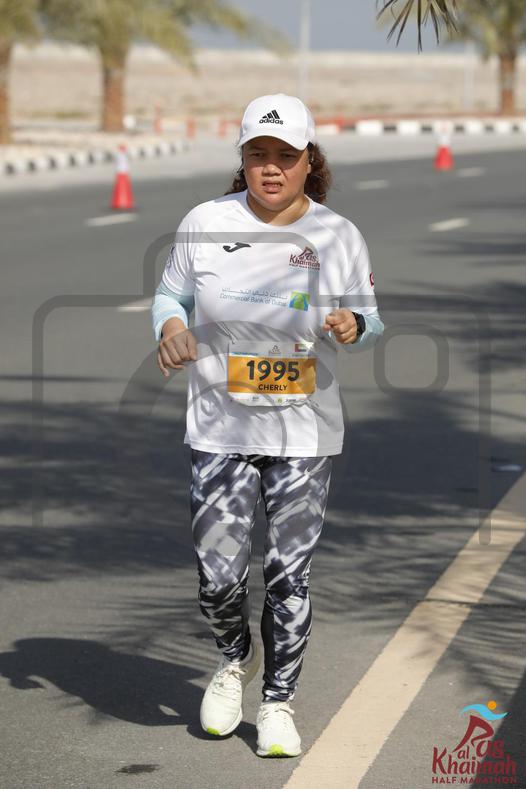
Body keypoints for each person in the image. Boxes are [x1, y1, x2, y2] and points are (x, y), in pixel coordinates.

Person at [151, 93, 384, 758]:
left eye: (286, 155)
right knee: (217, 579)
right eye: (259, 154)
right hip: (219, 430)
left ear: (310, 161)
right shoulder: (205, 222)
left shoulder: (337, 235)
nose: (272, 167)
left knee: (288, 576)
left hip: (303, 435)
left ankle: (278, 702)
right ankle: (235, 659)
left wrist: (354, 324)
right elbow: (171, 295)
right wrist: (170, 327)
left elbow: (371, 318)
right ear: (244, 159)